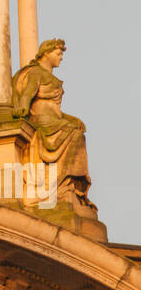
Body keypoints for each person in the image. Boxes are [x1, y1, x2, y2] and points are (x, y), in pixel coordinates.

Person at [11, 39, 91, 204]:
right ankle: (60, 186)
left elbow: (56, 110)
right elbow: (28, 93)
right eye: (58, 53)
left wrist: (72, 119)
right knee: (75, 136)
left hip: (56, 121)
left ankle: (67, 185)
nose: (61, 57)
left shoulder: (49, 76)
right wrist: (22, 108)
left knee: (78, 134)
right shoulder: (36, 72)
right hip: (44, 122)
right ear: (46, 53)